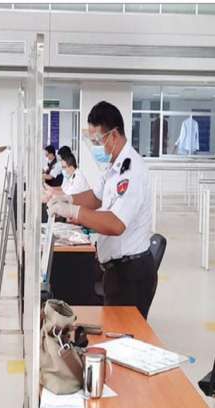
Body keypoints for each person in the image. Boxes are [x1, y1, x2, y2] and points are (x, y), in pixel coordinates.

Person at [48, 101, 156, 318]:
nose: (96, 147)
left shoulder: (132, 171)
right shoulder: (113, 166)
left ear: (114, 135)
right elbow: (95, 197)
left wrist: (74, 212)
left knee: (122, 335)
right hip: (115, 270)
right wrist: (67, 198)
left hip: (131, 273)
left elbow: (115, 224)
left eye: (97, 141)